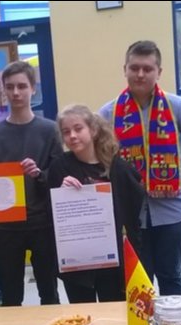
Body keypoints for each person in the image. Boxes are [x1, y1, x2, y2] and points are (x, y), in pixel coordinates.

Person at [100, 40, 181, 296]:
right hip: (128, 216)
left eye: (147, 68)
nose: (140, 74)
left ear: (159, 72)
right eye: (134, 68)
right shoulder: (108, 113)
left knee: (171, 278)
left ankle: (174, 323)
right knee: (137, 285)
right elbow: (94, 160)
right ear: (125, 69)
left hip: (171, 213)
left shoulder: (177, 107)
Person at [0, 61, 63, 307]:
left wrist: (39, 174)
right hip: (7, 226)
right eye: (10, 87)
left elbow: (59, 177)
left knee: (49, 292)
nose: (16, 92)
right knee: (10, 296)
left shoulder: (50, 130)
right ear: (4, 90)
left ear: (33, 89)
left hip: (43, 223)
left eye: (22, 86)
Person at [48, 104, 145, 303]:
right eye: (66, 132)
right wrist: (62, 192)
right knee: (82, 312)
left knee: (114, 311)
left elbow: (133, 210)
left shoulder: (117, 167)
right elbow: (52, 213)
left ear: (92, 130)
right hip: (77, 262)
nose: (72, 136)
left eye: (78, 129)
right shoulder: (59, 166)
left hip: (112, 261)